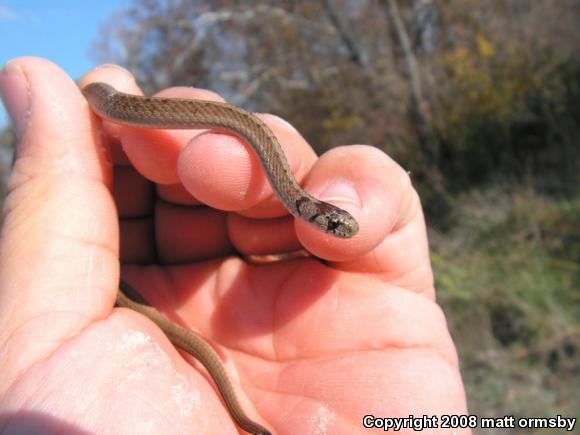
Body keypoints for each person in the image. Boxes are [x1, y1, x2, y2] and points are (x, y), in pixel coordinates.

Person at [0, 57, 469, 434]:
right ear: (316, 210)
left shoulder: (295, 196)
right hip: (115, 117)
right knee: (201, 155)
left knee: (214, 162)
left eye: (337, 226)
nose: (339, 230)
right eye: (336, 223)